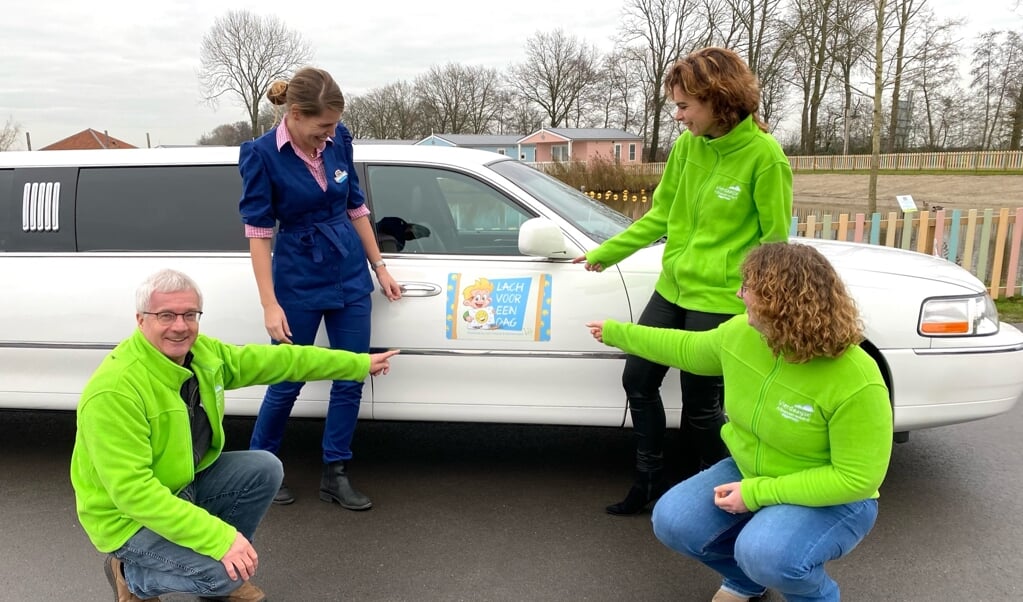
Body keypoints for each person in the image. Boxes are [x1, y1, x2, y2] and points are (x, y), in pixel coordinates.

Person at [586, 242, 893, 602]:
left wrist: (757, 494)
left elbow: (856, 479)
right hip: (751, 468)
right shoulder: (742, 335)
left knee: (763, 552)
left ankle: (816, 595)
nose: (738, 294)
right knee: (672, 521)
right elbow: (685, 348)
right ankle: (746, 581)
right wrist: (616, 332)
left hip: (837, 497)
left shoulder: (857, 378)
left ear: (778, 302)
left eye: (747, 288)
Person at [70, 269, 399, 602]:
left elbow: (278, 361)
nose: (180, 326)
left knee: (264, 468)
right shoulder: (115, 390)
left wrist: (355, 363)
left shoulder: (202, 355)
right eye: (166, 315)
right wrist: (220, 539)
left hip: (182, 483)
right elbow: (133, 493)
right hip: (127, 518)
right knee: (219, 574)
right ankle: (131, 575)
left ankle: (224, 571)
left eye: (189, 315)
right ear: (141, 320)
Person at [573, 46, 793, 515]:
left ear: (720, 99)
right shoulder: (687, 149)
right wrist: (604, 254)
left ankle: (724, 497)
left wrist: (760, 294)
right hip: (673, 288)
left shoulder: (765, 157)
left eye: (684, 106)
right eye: (676, 105)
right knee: (638, 378)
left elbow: (775, 241)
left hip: (720, 299)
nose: (677, 116)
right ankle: (649, 481)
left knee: (700, 405)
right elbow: (662, 216)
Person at [238, 66, 402, 510]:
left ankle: (336, 471)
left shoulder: (340, 139)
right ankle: (259, 469)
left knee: (351, 373)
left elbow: (356, 206)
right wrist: (270, 304)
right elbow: (258, 233)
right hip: (298, 274)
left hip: (348, 270)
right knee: (286, 377)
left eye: (334, 125)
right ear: (294, 114)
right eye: (321, 126)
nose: (328, 135)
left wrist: (379, 267)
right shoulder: (260, 155)